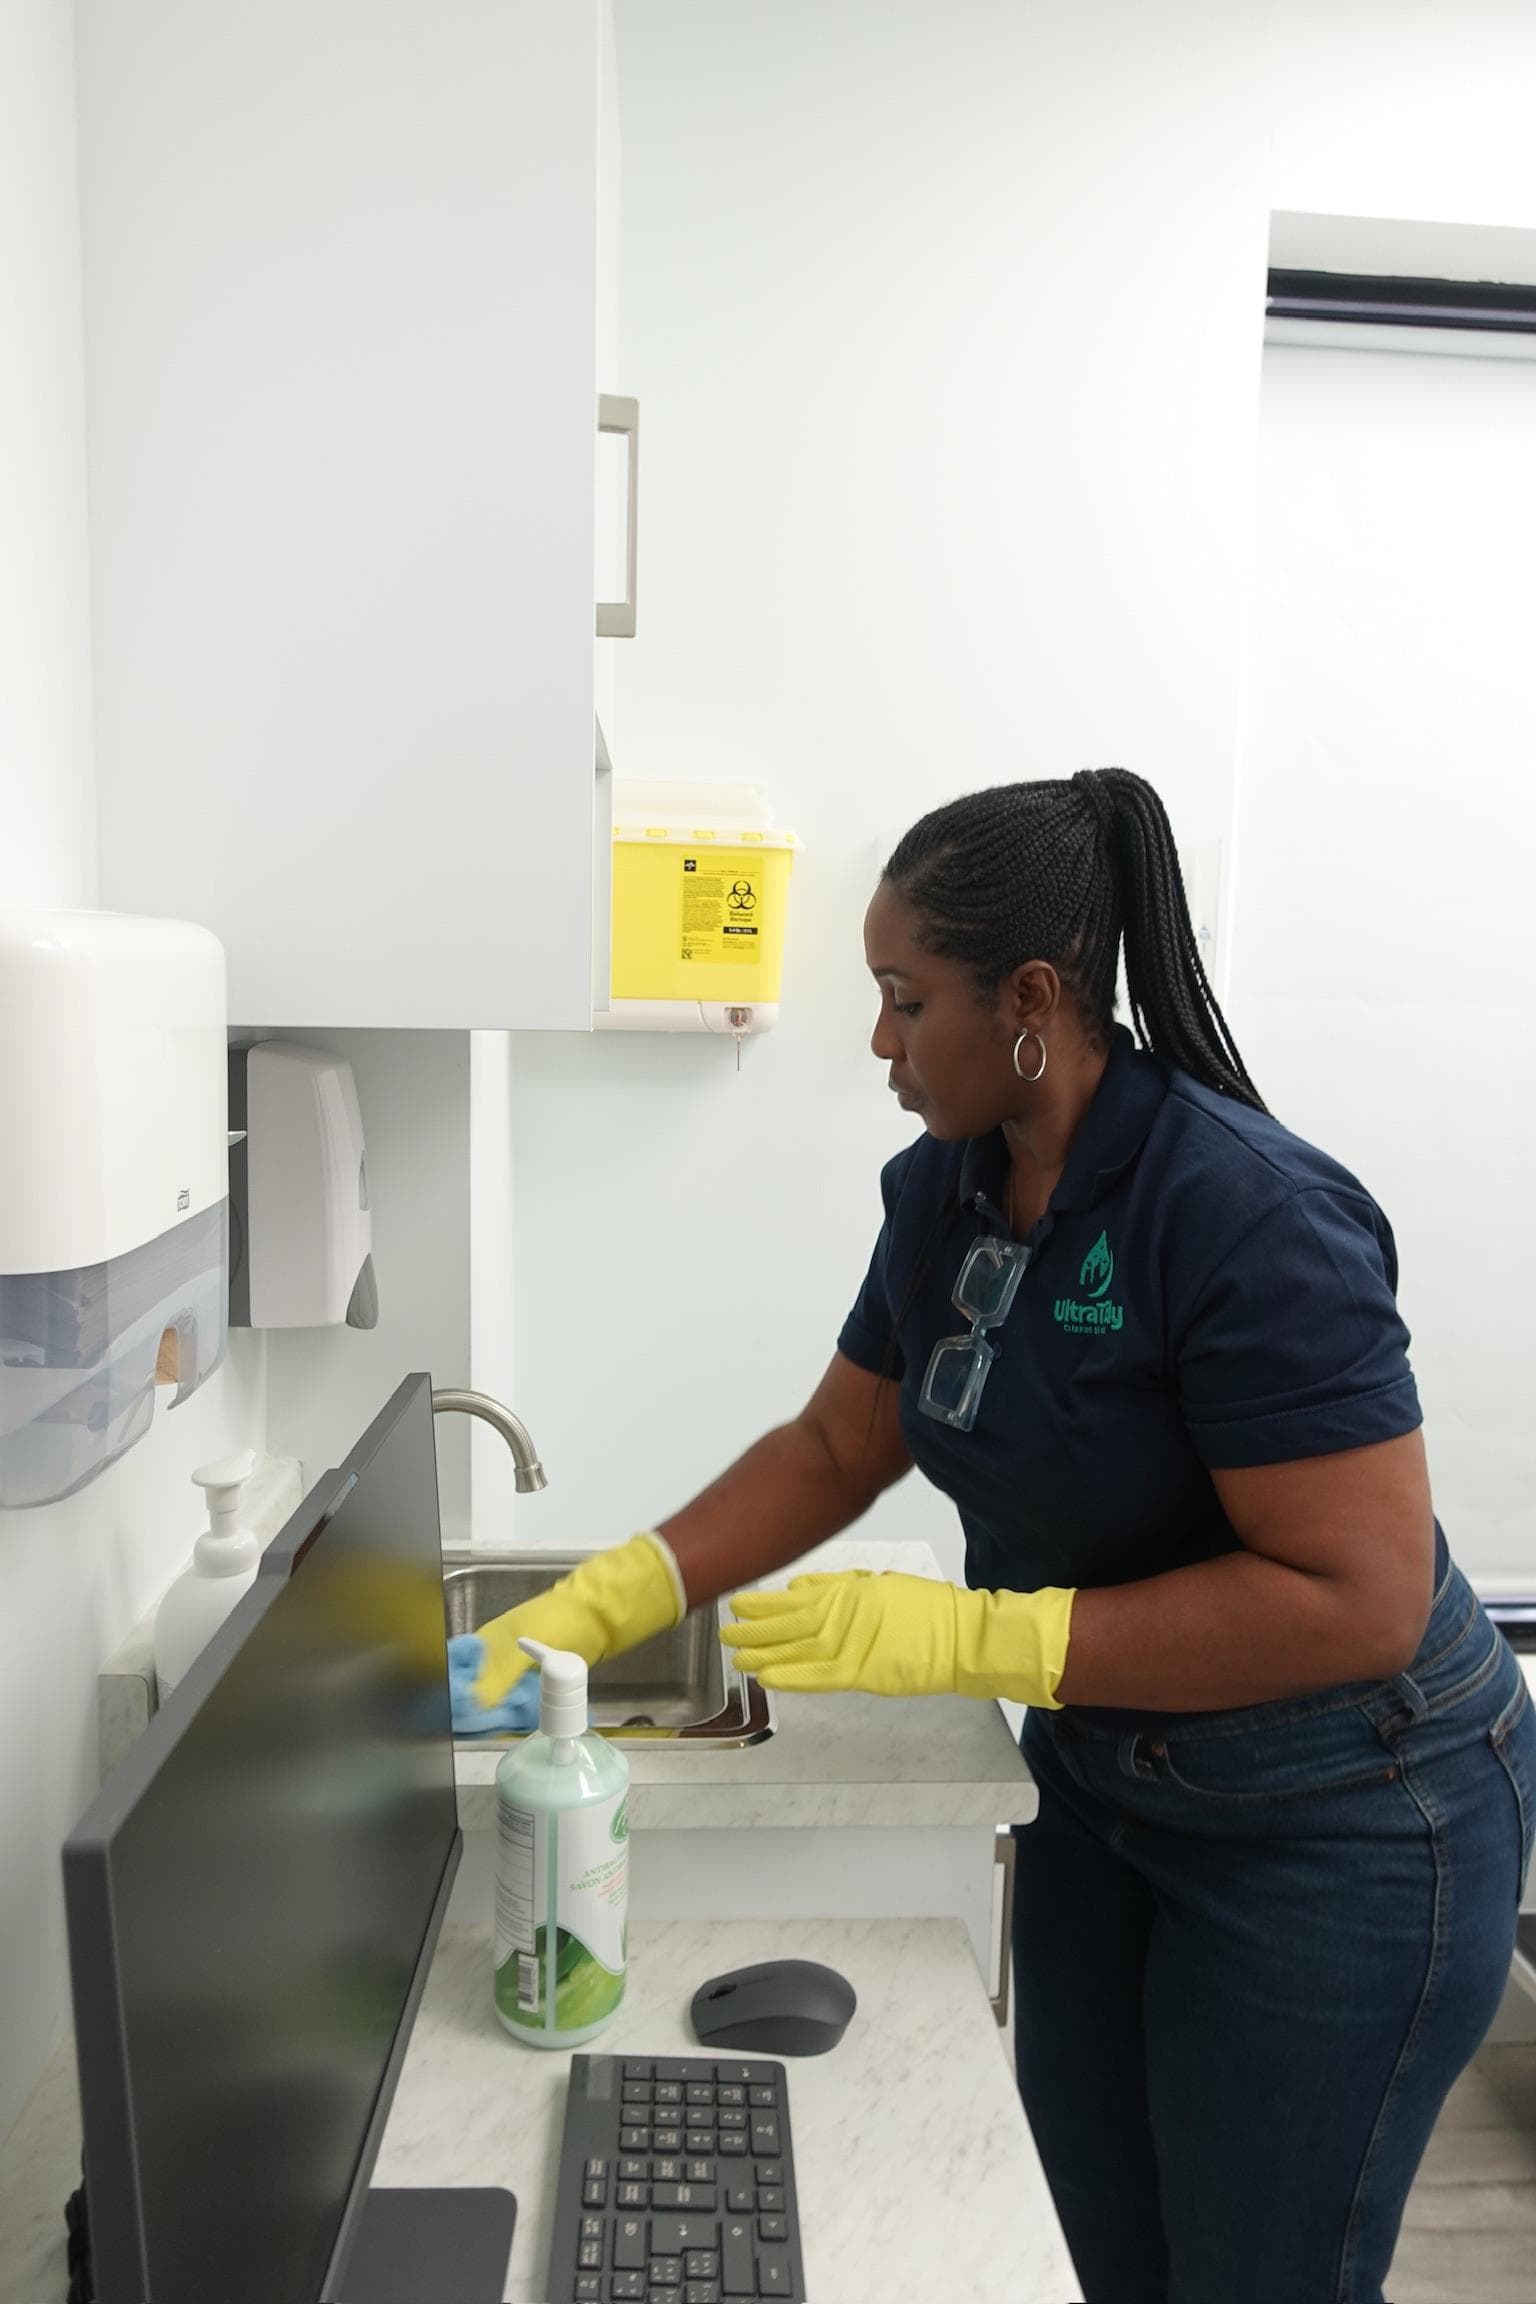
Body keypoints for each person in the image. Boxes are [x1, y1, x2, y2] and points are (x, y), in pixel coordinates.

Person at [453, 767, 1536, 2304]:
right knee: (1095, 2222)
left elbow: (1356, 1597)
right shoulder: (950, 1190)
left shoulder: (1245, 1217)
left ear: (1031, 999)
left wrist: (982, 1637)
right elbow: (844, 1439)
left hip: (1345, 1820)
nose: (881, 1042)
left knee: (1258, 2270)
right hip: (1107, 1778)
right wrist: (612, 1594)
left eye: (906, 1000)